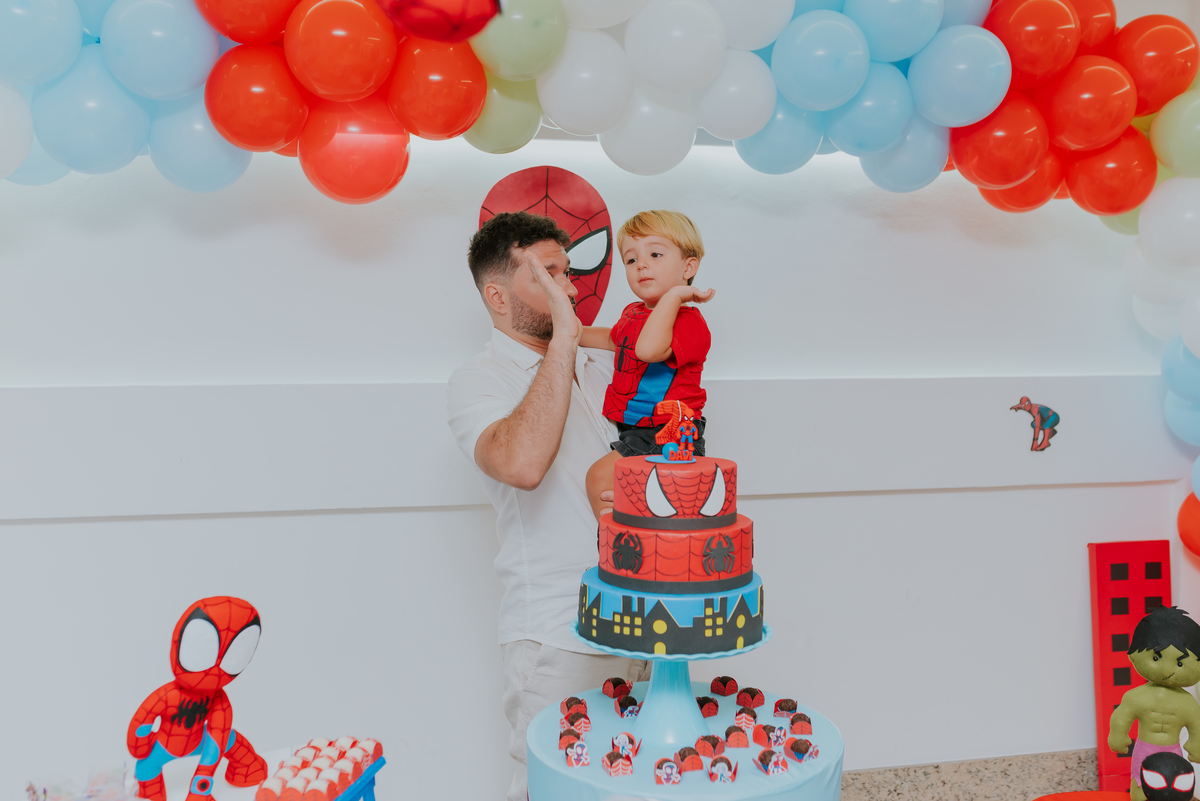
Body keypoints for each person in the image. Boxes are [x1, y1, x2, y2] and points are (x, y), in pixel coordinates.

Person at [446, 211, 651, 801]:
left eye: (568, 271)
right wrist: (563, 339)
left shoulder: (601, 367)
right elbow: (522, 465)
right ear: (498, 295)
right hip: (560, 636)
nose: (570, 287)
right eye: (548, 273)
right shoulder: (478, 380)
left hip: (642, 623)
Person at [580, 210, 715, 520]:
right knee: (637, 494)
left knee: (599, 478)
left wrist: (675, 298)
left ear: (688, 267)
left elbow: (648, 350)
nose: (641, 264)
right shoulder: (634, 313)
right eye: (630, 260)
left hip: (671, 432)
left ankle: (614, 546)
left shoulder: (688, 321)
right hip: (637, 428)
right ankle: (632, 537)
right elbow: (617, 340)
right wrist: (572, 332)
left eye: (655, 254)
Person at [1108, 606, 1200, 801]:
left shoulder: (1189, 704)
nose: (1168, 669)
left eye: (1180, 663)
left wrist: (1196, 745)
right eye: (1156, 658)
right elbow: (1121, 717)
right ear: (1134, 653)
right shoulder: (1136, 697)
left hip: (1174, 754)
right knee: (1140, 787)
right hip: (1144, 751)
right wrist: (1118, 736)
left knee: (1174, 791)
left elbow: (1197, 727)